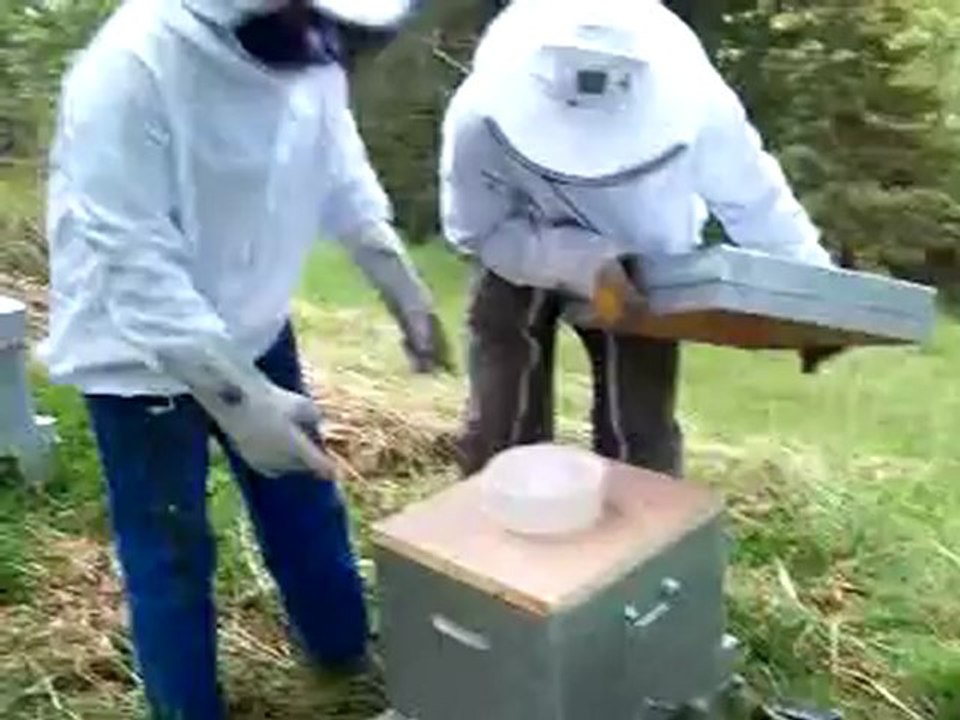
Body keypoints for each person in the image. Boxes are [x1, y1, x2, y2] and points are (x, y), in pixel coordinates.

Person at [37, 0, 451, 717]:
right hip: (139, 357)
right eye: (311, 22)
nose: (326, 45)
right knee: (170, 550)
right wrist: (240, 400)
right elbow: (136, 260)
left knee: (304, 497)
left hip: (256, 323)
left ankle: (344, 654)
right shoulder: (129, 68)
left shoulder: (312, 54)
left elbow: (339, 169)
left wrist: (399, 281)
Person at [439, 0, 835, 478]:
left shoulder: (701, 104)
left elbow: (755, 201)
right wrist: (585, 263)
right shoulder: (478, 119)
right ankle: (498, 506)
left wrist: (816, 302)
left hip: (644, 260)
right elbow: (477, 231)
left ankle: (642, 520)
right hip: (523, 249)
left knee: (639, 435)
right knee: (501, 424)